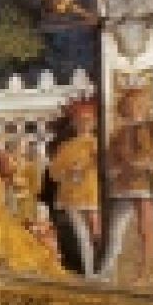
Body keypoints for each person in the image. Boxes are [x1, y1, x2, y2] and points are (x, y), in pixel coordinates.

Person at [104, 86, 153, 286]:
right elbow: (111, 158)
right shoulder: (119, 132)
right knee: (115, 226)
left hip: (147, 181)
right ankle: (108, 268)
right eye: (130, 104)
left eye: (138, 104)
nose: (134, 108)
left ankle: (146, 271)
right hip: (124, 183)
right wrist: (114, 168)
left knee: (145, 226)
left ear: (145, 105)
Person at [48, 100, 101, 276]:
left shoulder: (97, 143)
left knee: (95, 232)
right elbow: (54, 172)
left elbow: (105, 167)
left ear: (93, 123)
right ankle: (89, 272)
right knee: (81, 234)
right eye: (79, 121)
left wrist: (92, 162)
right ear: (74, 123)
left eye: (88, 120)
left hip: (92, 191)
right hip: (71, 194)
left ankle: (102, 269)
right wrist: (69, 170)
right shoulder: (66, 146)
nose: (83, 124)